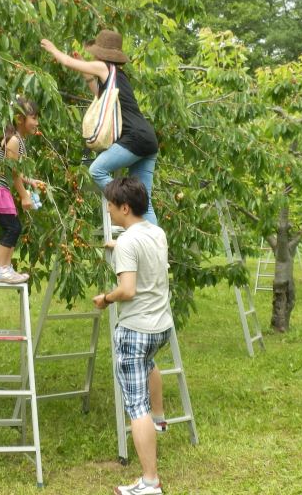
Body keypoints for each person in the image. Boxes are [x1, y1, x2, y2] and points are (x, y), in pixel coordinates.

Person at [92, 177, 172, 495]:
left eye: (111, 206)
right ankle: (161, 418)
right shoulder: (156, 233)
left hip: (136, 330)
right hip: (161, 327)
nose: (109, 211)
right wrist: (118, 245)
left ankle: (150, 482)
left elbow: (127, 289)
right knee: (149, 364)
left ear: (125, 207)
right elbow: (143, 253)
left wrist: (105, 299)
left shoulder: (127, 243)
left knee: (135, 406)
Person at [41, 29, 159, 225]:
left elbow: (68, 62)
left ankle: (125, 206)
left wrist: (53, 49)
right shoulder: (117, 75)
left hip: (135, 137)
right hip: (148, 139)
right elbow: (99, 95)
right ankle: (155, 248)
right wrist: (87, 74)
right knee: (145, 203)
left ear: (101, 53)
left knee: (96, 170)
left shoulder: (104, 67)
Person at [0, 97, 44, 283]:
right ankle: (0, 269)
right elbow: (13, 173)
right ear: (20, 119)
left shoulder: (17, 139)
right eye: (33, 118)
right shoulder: (13, 140)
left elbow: (16, 170)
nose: (37, 123)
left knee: (13, 227)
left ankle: (4, 268)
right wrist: (24, 197)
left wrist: (30, 180)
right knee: (12, 227)